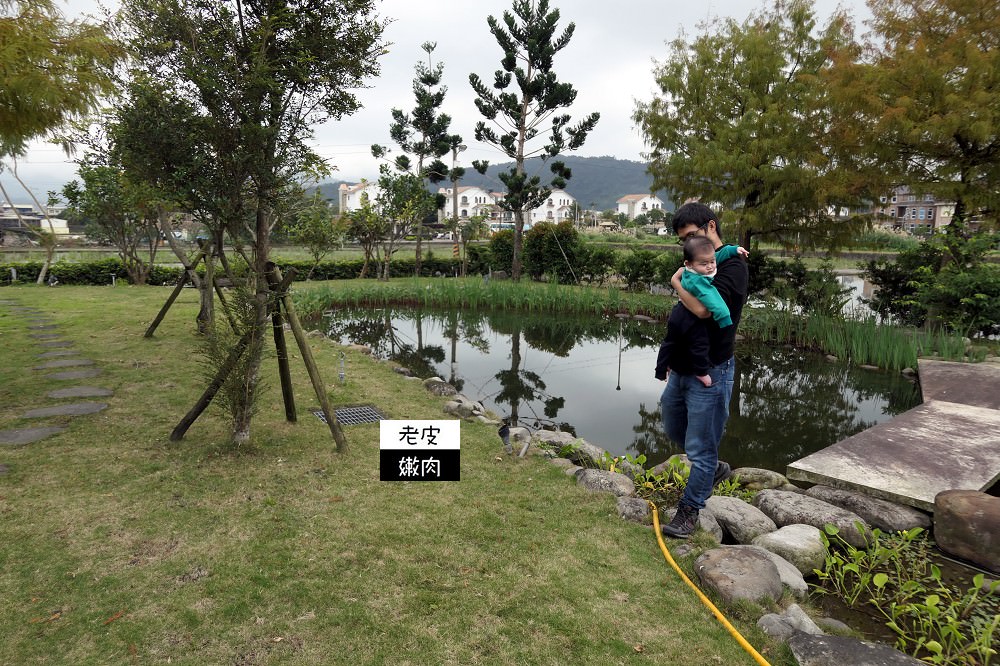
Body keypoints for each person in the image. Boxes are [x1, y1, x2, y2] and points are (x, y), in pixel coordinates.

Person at [659, 202, 749, 538]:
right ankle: (712, 467)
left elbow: (702, 310)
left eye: (692, 236)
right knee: (673, 426)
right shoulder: (700, 258)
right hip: (684, 366)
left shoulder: (732, 266)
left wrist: (676, 283)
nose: (688, 243)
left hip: (713, 369)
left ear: (710, 227)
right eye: (683, 240)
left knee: (700, 448)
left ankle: (689, 511)